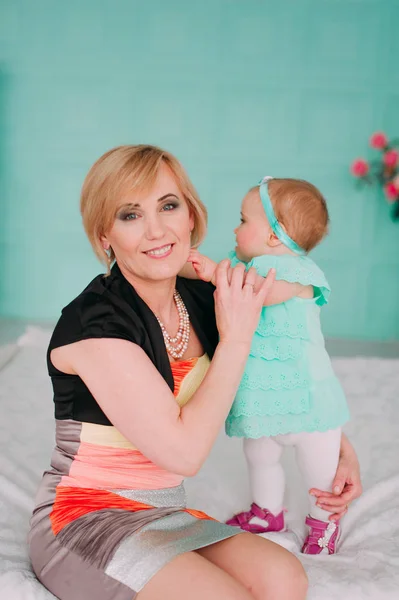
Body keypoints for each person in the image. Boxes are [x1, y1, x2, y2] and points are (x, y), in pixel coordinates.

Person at [28, 146, 360, 600]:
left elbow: (289, 369)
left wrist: (337, 448)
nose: (157, 229)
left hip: (164, 511)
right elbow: (183, 455)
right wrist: (237, 339)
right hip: (85, 517)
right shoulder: (95, 325)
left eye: (168, 205)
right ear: (105, 234)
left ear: (190, 216)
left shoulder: (201, 298)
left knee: (286, 579)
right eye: (130, 215)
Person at [186, 175, 355, 554]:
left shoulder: (298, 274)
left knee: (319, 472)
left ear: (275, 237)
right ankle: (267, 511)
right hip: (265, 397)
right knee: (259, 456)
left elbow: (260, 293)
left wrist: (216, 274)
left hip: (308, 400)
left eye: (244, 220)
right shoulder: (242, 263)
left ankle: (323, 523)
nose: (235, 227)